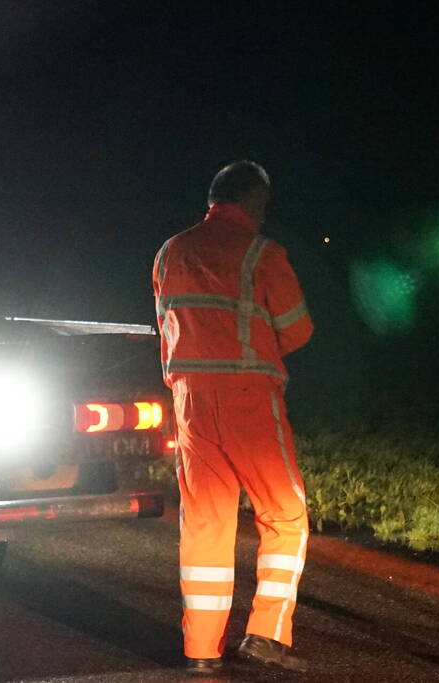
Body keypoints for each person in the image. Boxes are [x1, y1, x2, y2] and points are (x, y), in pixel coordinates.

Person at [152, 160, 313, 675]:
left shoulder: (170, 251)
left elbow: (167, 328)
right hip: (249, 398)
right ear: (254, 201)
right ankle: (266, 635)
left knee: (205, 522)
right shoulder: (264, 254)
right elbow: (298, 329)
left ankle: (201, 650)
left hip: (191, 401)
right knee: (285, 515)